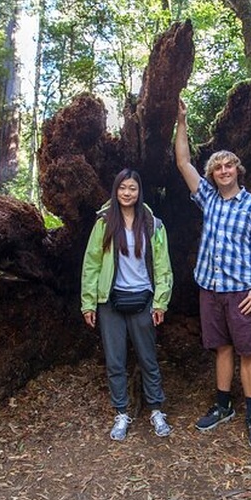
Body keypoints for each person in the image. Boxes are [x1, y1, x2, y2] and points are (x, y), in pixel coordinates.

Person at [175, 99, 251, 449]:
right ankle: (223, 406)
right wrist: (182, 121)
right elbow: (182, 161)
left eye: (229, 166)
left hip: (243, 292)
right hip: (210, 287)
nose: (223, 171)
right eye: (218, 167)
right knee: (221, 347)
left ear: (238, 170)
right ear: (212, 174)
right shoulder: (208, 199)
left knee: (248, 351)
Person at [80, 168, 174, 441]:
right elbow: (92, 263)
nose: (127, 193)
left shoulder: (153, 224)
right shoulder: (103, 223)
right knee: (115, 360)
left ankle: (156, 409)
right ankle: (121, 412)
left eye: (132, 188)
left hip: (143, 298)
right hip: (111, 300)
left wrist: (160, 302)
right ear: (116, 189)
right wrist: (88, 303)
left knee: (148, 357)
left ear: (139, 191)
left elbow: (163, 265)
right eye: (122, 187)